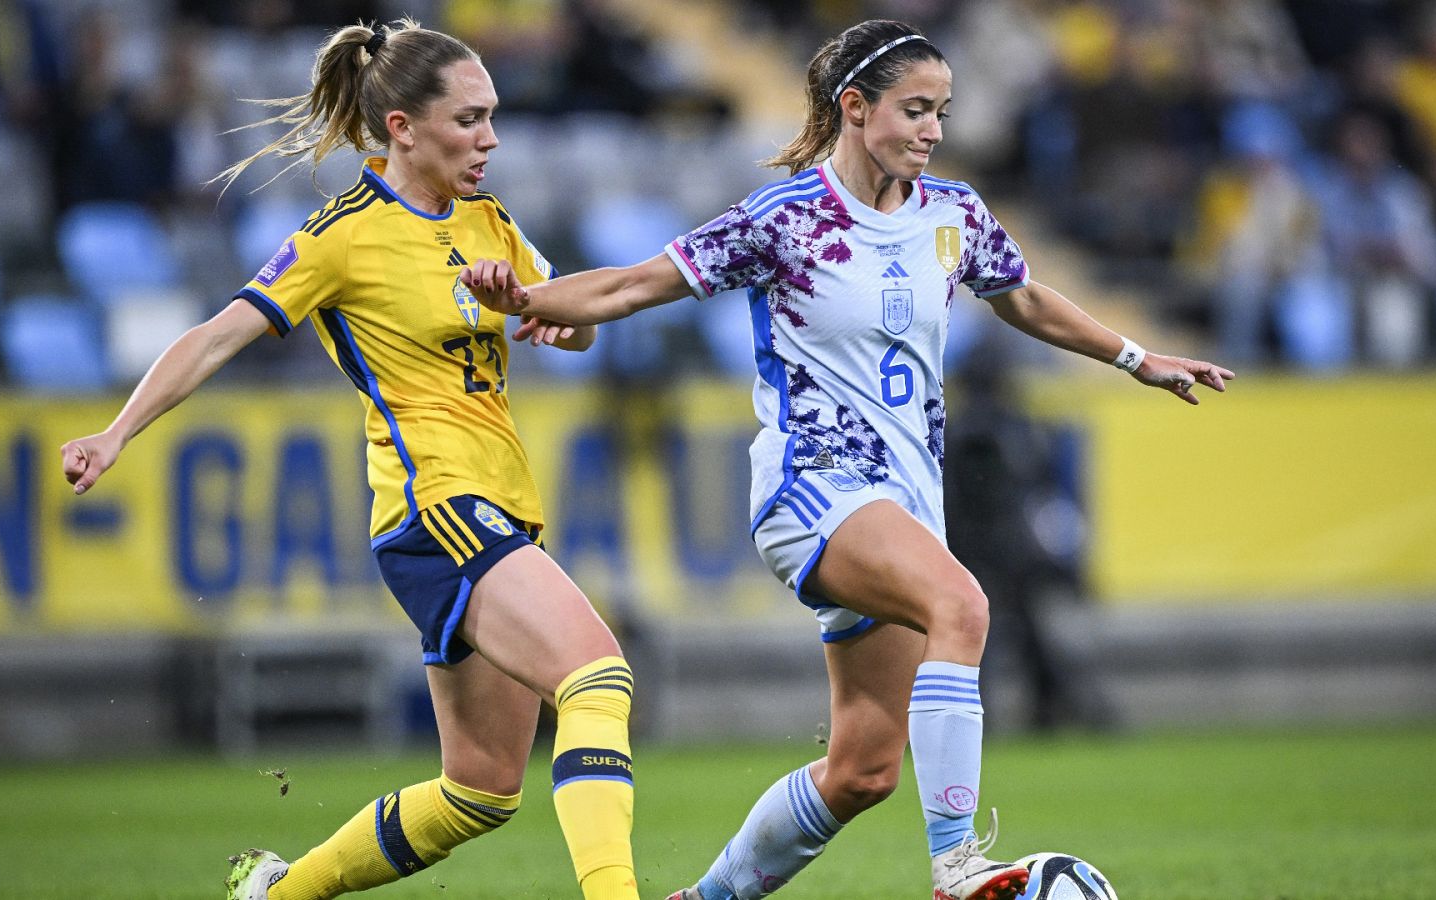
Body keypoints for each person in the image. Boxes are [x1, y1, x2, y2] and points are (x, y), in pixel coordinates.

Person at [461, 19, 1234, 900]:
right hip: (812, 487)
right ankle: (956, 867)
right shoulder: (787, 219)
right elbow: (640, 282)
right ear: (855, 108)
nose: (932, 130)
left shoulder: (953, 215)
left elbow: (1023, 297)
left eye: (941, 111)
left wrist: (1138, 358)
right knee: (962, 604)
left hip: (907, 502)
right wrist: (524, 297)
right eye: (914, 109)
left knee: (863, 770)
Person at [58, 19, 640, 900]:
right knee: (597, 676)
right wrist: (117, 430)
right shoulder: (344, 235)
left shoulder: (490, 221)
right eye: (469, 120)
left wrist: (536, 303)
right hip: (436, 509)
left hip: (500, 507)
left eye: (493, 118)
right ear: (402, 127)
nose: (490, 139)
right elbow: (220, 335)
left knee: (481, 788)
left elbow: (573, 326)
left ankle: (278, 893)